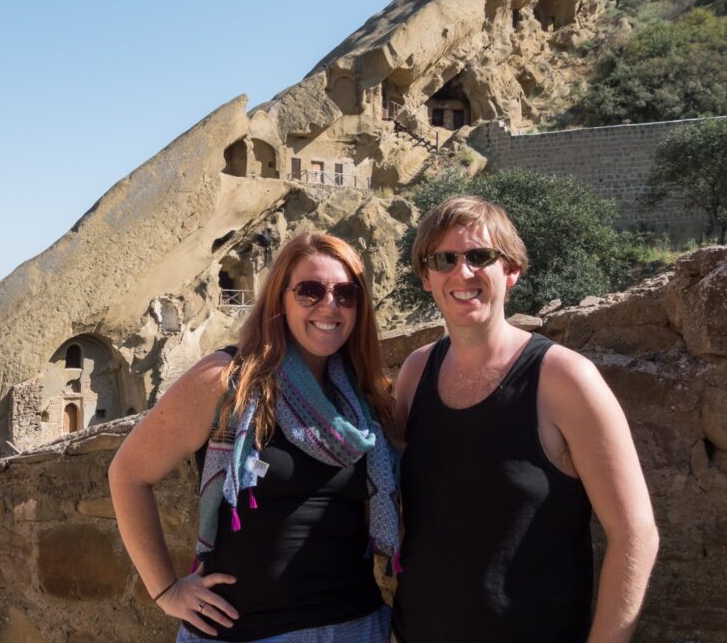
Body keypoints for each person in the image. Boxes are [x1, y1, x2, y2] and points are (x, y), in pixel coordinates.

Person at [391, 196, 659, 643]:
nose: (463, 272)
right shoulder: (415, 373)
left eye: (480, 256)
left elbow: (635, 532)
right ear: (426, 276)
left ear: (511, 270)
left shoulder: (564, 378)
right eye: (444, 259)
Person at [109, 233, 399, 642]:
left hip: (356, 626)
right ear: (280, 298)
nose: (329, 305)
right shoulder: (229, 380)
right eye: (310, 291)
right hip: (246, 632)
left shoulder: (363, 396)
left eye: (345, 293)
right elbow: (128, 473)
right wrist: (166, 591)